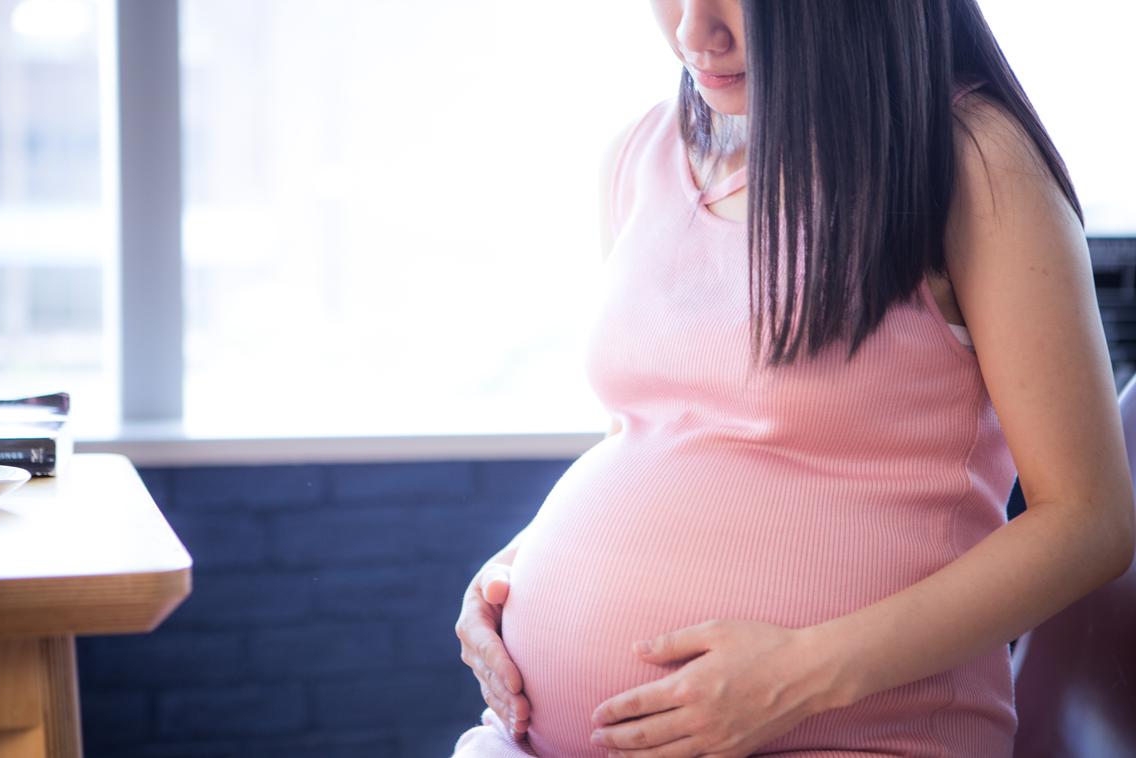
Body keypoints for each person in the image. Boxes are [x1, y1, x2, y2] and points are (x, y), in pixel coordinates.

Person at [452, 1, 1135, 756]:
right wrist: (513, 574)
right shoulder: (639, 155)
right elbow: (660, 440)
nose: (692, 33)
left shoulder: (970, 162)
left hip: (858, 735)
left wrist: (799, 676)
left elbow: (1088, 521)